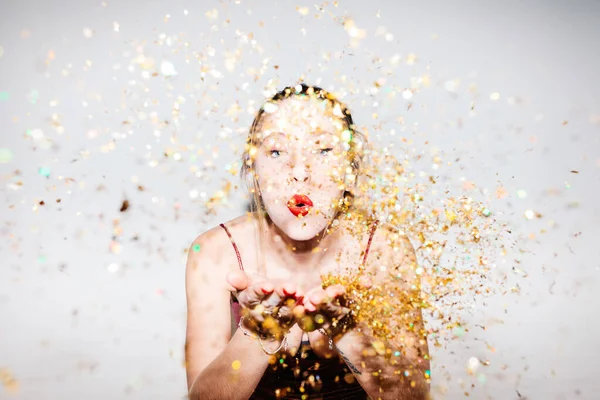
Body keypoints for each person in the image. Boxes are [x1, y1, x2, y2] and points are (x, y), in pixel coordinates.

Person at [185, 84, 430, 399]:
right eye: (277, 151)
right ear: (254, 172)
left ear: (351, 172)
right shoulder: (215, 252)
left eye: (323, 150)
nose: (300, 171)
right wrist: (257, 334)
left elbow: (416, 396)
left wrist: (348, 333)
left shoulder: (385, 250)